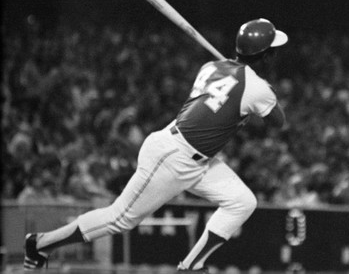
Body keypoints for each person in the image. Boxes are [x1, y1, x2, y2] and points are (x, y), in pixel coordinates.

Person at [23, 18, 288, 271]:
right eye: (272, 51)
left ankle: (191, 266)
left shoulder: (211, 67)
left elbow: (232, 96)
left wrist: (252, 86)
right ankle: (40, 244)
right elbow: (278, 121)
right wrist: (262, 91)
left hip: (195, 159)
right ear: (265, 55)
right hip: (174, 155)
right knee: (119, 219)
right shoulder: (256, 88)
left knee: (242, 201)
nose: (275, 55)